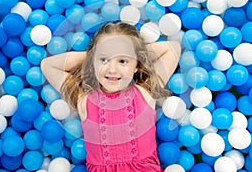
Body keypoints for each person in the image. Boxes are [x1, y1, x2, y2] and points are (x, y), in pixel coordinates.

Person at [41, 21, 181, 172]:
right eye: (104, 60)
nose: (112, 69)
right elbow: (47, 65)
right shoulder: (85, 100)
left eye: (122, 61)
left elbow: (173, 48)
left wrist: (134, 51)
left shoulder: (145, 92)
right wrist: (92, 54)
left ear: (137, 66)